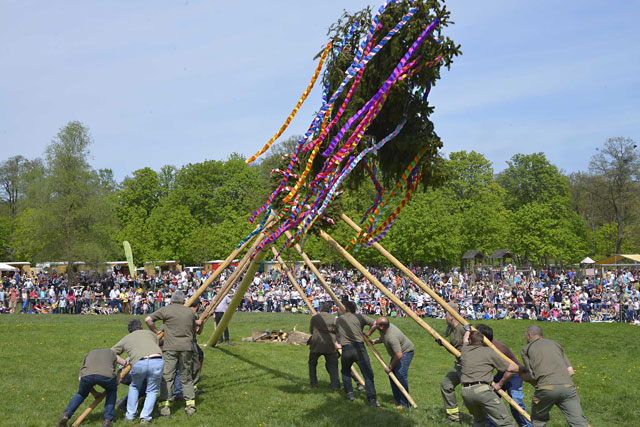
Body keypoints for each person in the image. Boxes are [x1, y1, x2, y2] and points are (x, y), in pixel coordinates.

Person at [146, 290, 202, 417]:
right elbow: (196, 327)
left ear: (172, 300)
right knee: (186, 376)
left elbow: (148, 319)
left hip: (170, 348)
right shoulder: (190, 312)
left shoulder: (166, 310)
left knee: (167, 377)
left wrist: (155, 331)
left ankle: (165, 406)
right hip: (187, 348)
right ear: (183, 300)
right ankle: (190, 405)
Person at [520, 325, 589, 427]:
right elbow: (571, 371)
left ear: (529, 335)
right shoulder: (556, 345)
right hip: (568, 388)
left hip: (546, 388)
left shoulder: (526, 349)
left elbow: (532, 375)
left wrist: (522, 376)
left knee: (538, 420)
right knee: (579, 422)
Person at [460, 330, 521, 427]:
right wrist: (523, 368)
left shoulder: (465, 350)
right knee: (506, 423)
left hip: (466, 393)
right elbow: (510, 368)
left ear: (470, 341)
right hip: (482, 391)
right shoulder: (489, 352)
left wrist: (467, 329)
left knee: (479, 421)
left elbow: (465, 340)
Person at [474, 324, 531, 427]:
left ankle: (526, 426)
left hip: (514, 375)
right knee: (486, 401)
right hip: (501, 374)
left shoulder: (497, 349)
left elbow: (511, 369)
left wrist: (500, 384)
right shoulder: (481, 346)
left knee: (516, 404)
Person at [111, 318, 163, 424]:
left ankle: (130, 415)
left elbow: (112, 353)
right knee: (152, 390)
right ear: (142, 327)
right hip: (157, 360)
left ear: (130, 331)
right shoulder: (150, 333)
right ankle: (145, 417)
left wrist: (124, 363)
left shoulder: (126, 338)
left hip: (139, 362)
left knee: (134, 387)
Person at [58, 348, 127, 427]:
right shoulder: (112, 353)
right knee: (111, 391)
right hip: (107, 376)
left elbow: (80, 378)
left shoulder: (89, 354)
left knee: (81, 394)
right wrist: (119, 376)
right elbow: (126, 364)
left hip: (87, 375)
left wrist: (94, 393)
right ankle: (107, 420)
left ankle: (66, 414)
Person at [335, 300, 379, 406]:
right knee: (368, 374)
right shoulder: (360, 317)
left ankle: (349, 393)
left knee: (345, 371)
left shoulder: (339, 319)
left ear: (345, 309)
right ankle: (372, 399)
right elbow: (375, 323)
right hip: (359, 348)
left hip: (346, 349)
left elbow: (337, 332)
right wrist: (368, 333)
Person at [367, 317, 414, 408]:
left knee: (400, 374)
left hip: (405, 352)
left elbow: (399, 355)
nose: (374, 325)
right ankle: (397, 399)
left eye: (376, 324)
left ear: (381, 327)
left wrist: (390, 367)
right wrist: (372, 339)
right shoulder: (384, 329)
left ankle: (405, 403)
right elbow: (382, 337)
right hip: (397, 353)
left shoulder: (392, 337)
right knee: (392, 375)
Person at [437, 302, 467, 422]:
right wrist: (444, 345)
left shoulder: (463, 328)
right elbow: (455, 349)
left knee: (470, 395)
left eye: (446, 314)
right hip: (459, 365)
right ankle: (453, 417)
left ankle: (483, 421)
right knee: (446, 384)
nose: (444, 317)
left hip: (468, 366)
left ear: (451, 316)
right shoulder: (452, 329)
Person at [308, 301, 340, 391]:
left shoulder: (314, 318)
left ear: (321, 308)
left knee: (312, 364)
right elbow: (337, 331)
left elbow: (311, 330)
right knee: (333, 365)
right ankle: (335, 385)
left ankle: (313, 384)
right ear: (329, 310)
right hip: (329, 344)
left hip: (316, 343)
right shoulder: (333, 318)